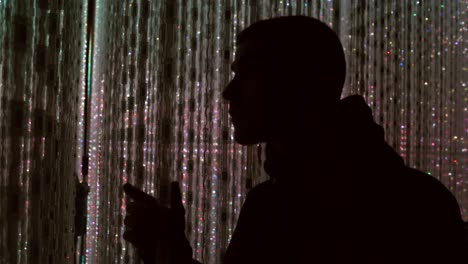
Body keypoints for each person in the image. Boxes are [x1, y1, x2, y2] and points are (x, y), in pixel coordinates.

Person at [123, 16, 468, 263]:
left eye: (248, 73)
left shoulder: (404, 207)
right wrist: (168, 246)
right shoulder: (272, 201)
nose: (229, 93)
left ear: (303, 82)